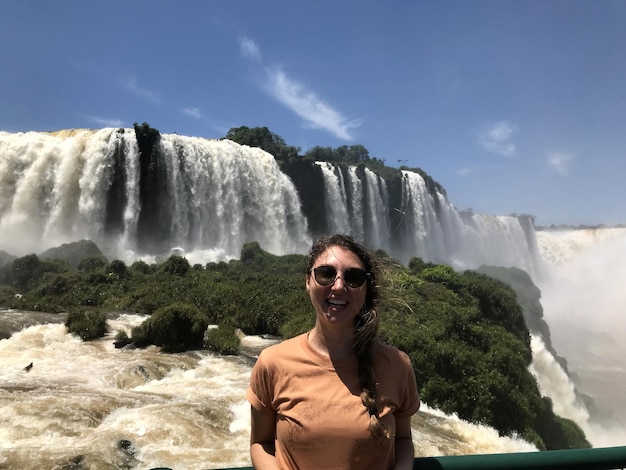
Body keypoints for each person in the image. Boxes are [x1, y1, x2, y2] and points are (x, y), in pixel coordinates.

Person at [246, 234, 420, 469]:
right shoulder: (272, 362)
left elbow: (403, 440)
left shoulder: (397, 365)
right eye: (326, 273)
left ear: (366, 288)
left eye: (354, 277)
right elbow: (260, 443)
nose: (338, 286)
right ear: (308, 281)